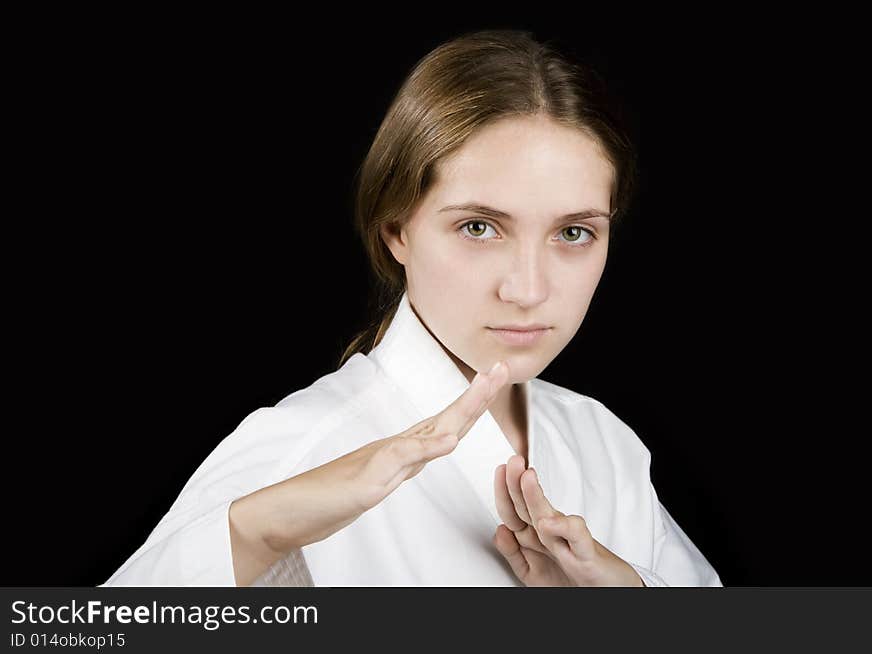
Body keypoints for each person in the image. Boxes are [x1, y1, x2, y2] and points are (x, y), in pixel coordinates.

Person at [102, 29, 722, 587]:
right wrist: (252, 535)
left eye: (574, 233)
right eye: (480, 227)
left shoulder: (602, 441)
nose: (528, 289)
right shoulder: (303, 443)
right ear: (396, 228)